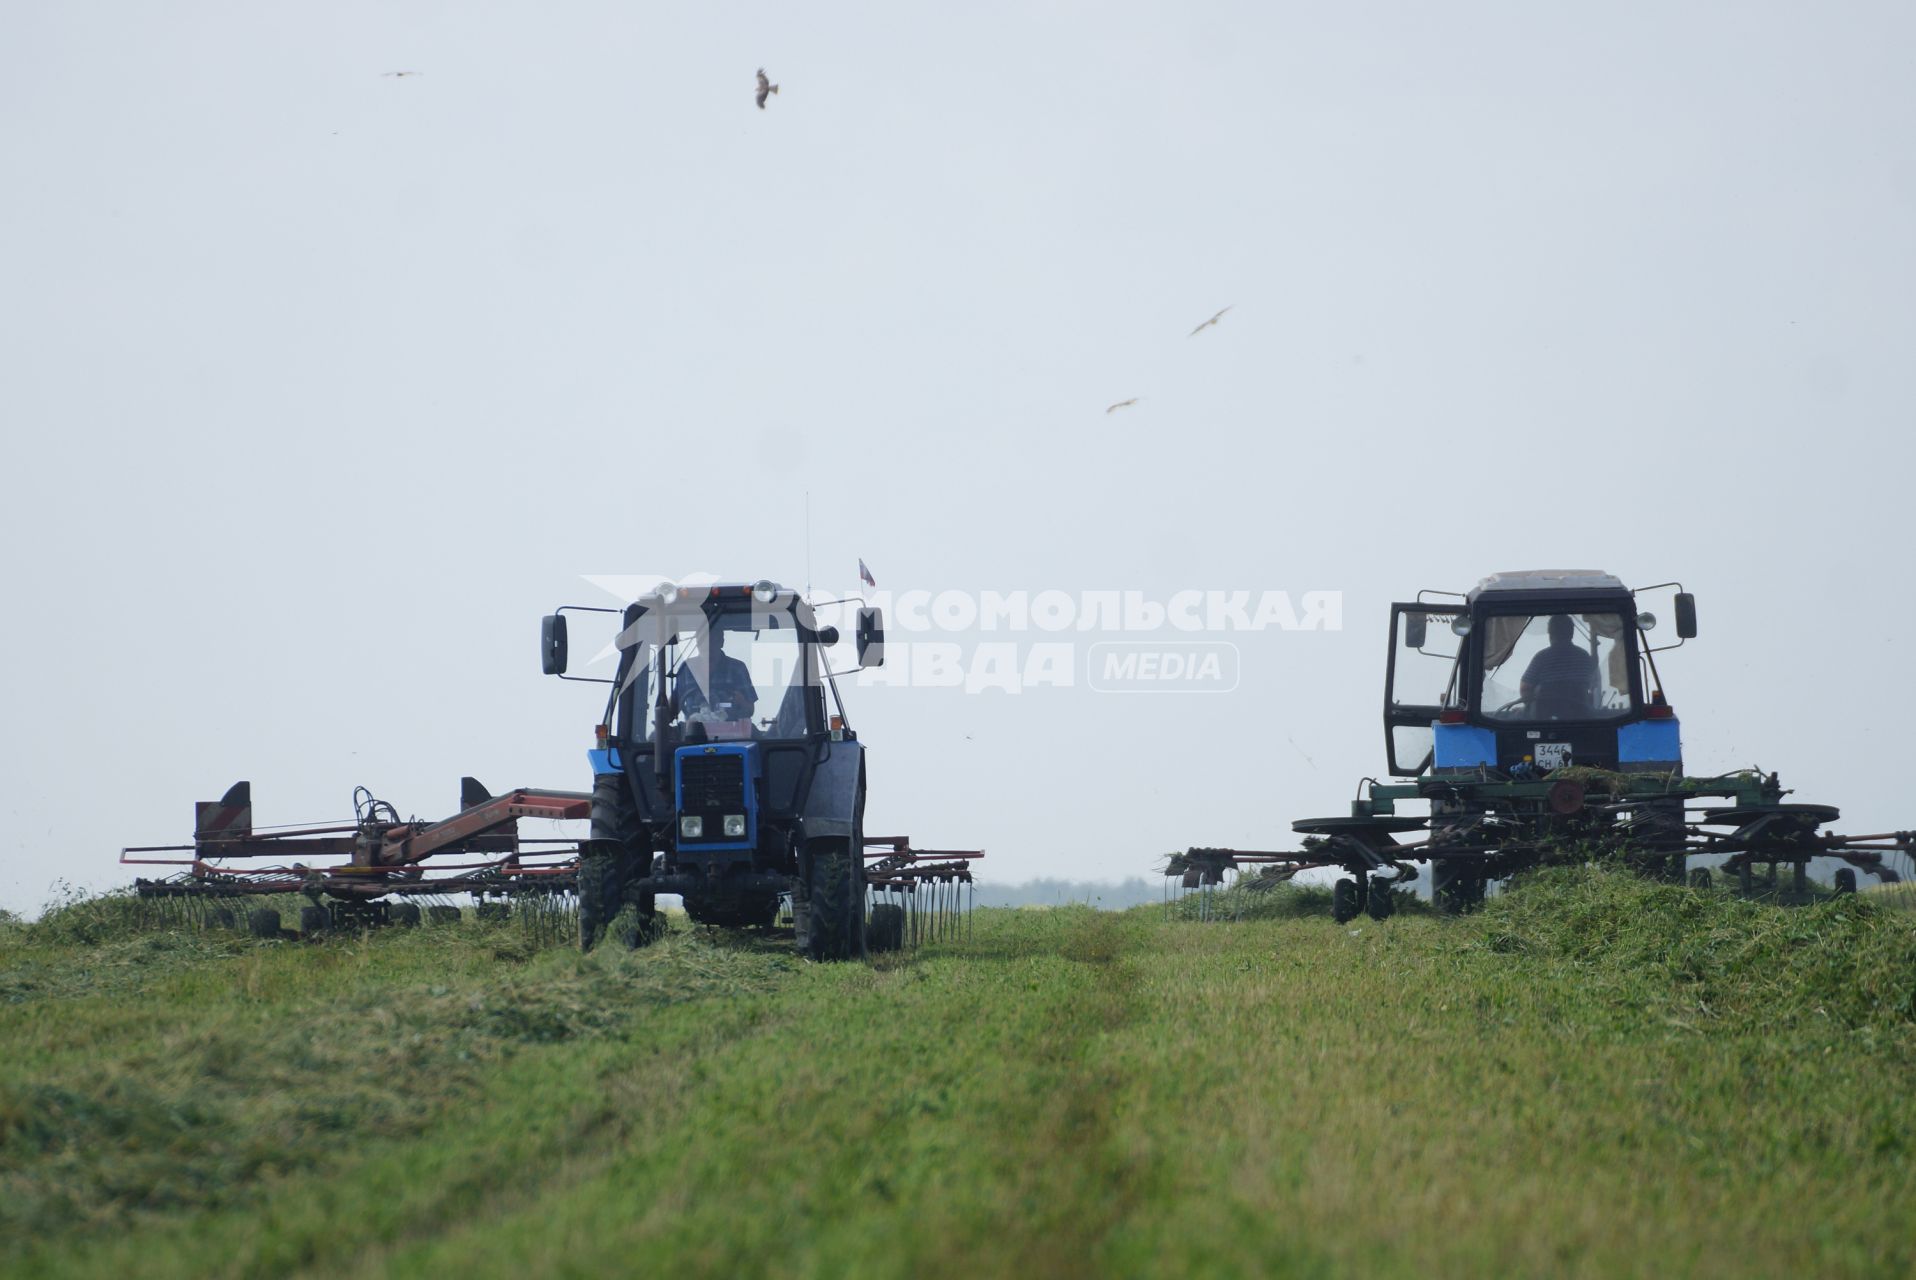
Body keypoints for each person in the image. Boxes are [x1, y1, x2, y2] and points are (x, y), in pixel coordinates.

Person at [1518, 614, 1597, 718]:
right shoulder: (1584, 656)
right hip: (1579, 718)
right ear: (1571, 633)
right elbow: (1589, 685)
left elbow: (1525, 689)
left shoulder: (1542, 657)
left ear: (1551, 634)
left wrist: (1527, 706)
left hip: (1544, 721)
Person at [675, 626, 758, 722]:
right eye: (703, 641)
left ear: (721, 642)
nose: (708, 645)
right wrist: (662, 716)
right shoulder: (687, 668)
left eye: (713, 641)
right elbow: (674, 705)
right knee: (656, 735)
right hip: (693, 733)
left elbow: (750, 710)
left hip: (732, 732)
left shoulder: (737, 668)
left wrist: (741, 702)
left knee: (756, 735)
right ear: (697, 643)